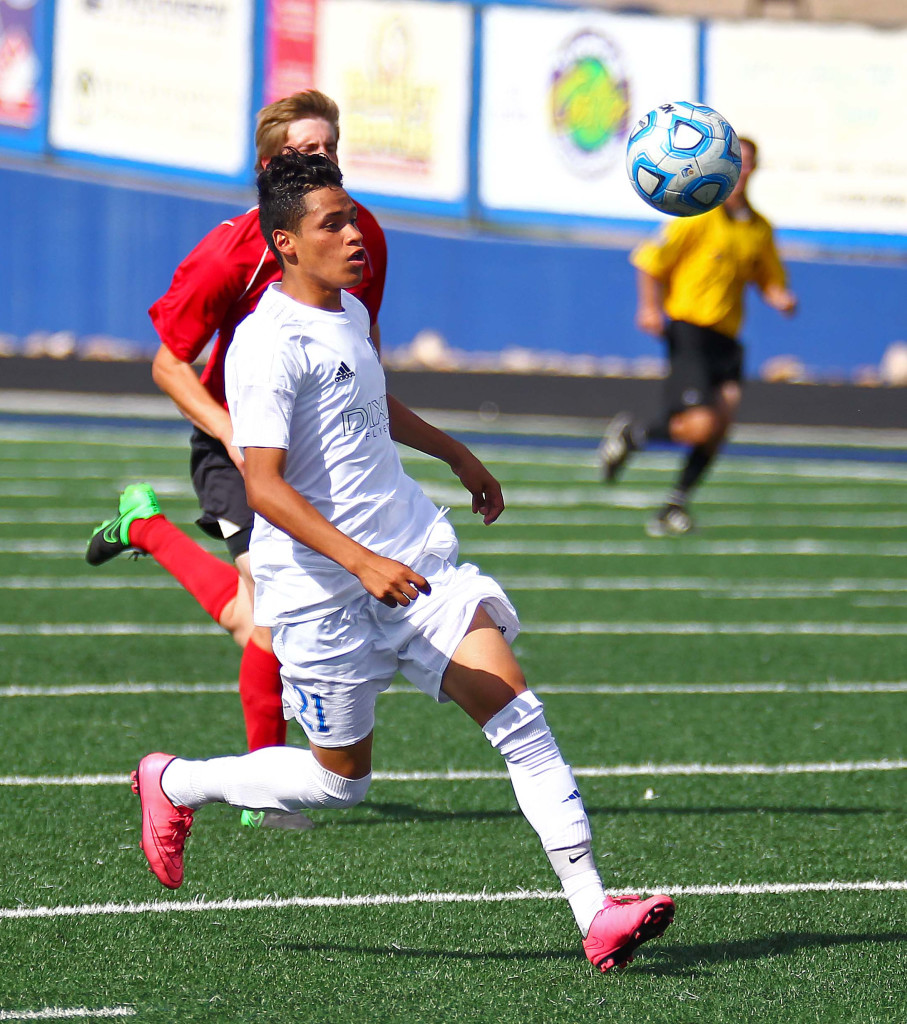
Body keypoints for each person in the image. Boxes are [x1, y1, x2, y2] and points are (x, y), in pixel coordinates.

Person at [130, 151, 675, 972]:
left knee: (518, 717)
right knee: (339, 781)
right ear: (283, 243)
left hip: (415, 563)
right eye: (333, 224)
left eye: (353, 216)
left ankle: (594, 909)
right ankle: (175, 784)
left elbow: (368, 398)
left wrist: (456, 453)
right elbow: (265, 486)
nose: (356, 235)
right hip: (321, 593)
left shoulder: (346, 309)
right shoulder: (262, 346)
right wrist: (358, 564)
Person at [87, 91, 387, 830]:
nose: (317, 159)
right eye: (299, 152)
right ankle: (267, 794)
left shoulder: (359, 235)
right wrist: (229, 432)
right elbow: (168, 365)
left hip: (311, 445)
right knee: (268, 623)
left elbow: (359, 351)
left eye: (326, 147)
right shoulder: (230, 249)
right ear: (267, 168)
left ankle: (148, 529)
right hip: (240, 447)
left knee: (254, 616)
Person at [599, 137, 797, 535]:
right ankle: (633, 433)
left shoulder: (758, 228)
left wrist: (780, 297)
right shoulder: (697, 215)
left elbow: (767, 276)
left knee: (721, 424)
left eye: (746, 166)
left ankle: (675, 503)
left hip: (727, 339)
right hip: (690, 330)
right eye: (734, 164)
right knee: (700, 425)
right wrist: (649, 307)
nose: (740, 174)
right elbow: (649, 259)